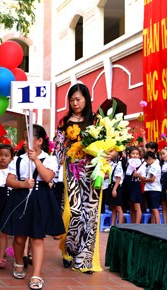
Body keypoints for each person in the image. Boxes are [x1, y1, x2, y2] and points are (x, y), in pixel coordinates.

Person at [0, 125, 64, 289]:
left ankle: (36, 274)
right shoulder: (18, 159)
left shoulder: (49, 159)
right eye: (24, 139)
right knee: (19, 238)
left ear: (40, 141)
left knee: (37, 237)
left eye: (29, 139)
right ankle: (19, 262)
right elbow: (9, 180)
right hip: (20, 197)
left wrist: (35, 160)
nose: (25, 143)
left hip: (40, 199)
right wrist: (22, 184)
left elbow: (48, 177)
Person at [53, 83, 101, 273]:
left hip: (92, 170)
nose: (75, 103)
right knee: (73, 212)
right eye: (71, 100)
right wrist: (54, 170)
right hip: (72, 169)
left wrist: (109, 154)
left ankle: (84, 260)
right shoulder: (64, 121)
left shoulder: (96, 120)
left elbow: (107, 145)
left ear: (86, 99)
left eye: (78, 99)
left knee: (89, 214)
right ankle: (69, 249)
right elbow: (58, 147)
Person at [134, 151, 162, 224]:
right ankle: (152, 224)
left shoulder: (155, 166)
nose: (146, 163)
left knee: (155, 208)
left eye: (146, 161)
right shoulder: (151, 166)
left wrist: (140, 177)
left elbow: (152, 179)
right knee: (151, 209)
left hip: (154, 189)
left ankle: (158, 225)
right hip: (149, 189)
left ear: (149, 159)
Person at [105, 150, 124, 231]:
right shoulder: (111, 164)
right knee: (113, 207)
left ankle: (119, 226)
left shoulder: (118, 166)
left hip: (116, 187)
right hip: (111, 185)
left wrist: (114, 190)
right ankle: (112, 225)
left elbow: (118, 178)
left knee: (118, 207)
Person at [122, 146, 143, 223]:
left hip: (135, 186)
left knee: (137, 207)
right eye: (133, 153)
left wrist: (138, 175)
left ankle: (137, 225)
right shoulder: (127, 163)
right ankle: (132, 224)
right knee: (132, 207)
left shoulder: (141, 164)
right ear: (129, 155)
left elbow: (144, 177)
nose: (135, 155)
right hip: (128, 186)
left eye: (137, 154)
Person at [160, 147, 167, 224]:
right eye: (161, 154)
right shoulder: (162, 164)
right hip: (163, 185)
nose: (162, 156)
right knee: (163, 204)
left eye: (164, 154)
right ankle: (165, 223)